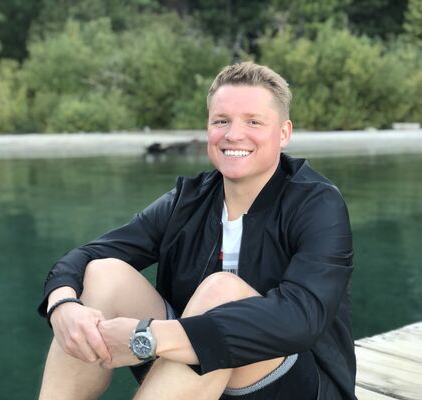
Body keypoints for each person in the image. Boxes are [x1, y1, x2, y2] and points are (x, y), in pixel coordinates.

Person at [37, 61, 356, 400]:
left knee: (222, 292)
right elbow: (87, 255)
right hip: (189, 376)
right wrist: (63, 305)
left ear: (284, 133)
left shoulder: (317, 203)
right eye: (221, 121)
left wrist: (149, 337)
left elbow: (301, 318)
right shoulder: (188, 201)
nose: (233, 134)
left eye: (253, 121)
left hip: (295, 385)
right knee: (103, 274)